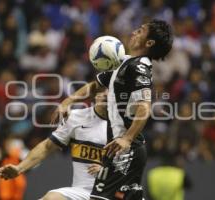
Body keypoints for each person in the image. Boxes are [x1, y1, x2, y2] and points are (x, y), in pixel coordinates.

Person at [51, 19, 173, 200]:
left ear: (149, 43)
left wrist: (127, 138)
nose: (134, 32)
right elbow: (95, 85)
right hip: (125, 149)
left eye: (140, 31)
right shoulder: (125, 63)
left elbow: (145, 106)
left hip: (127, 149)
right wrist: (67, 101)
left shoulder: (139, 66)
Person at [0, 92, 110, 200]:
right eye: (103, 90)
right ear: (95, 95)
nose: (106, 93)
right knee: (51, 197)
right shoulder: (77, 117)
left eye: (110, 90)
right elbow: (47, 146)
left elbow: (127, 168)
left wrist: (109, 171)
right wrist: (19, 168)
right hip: (80, 192)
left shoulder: (124, 127)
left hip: (112, 192)